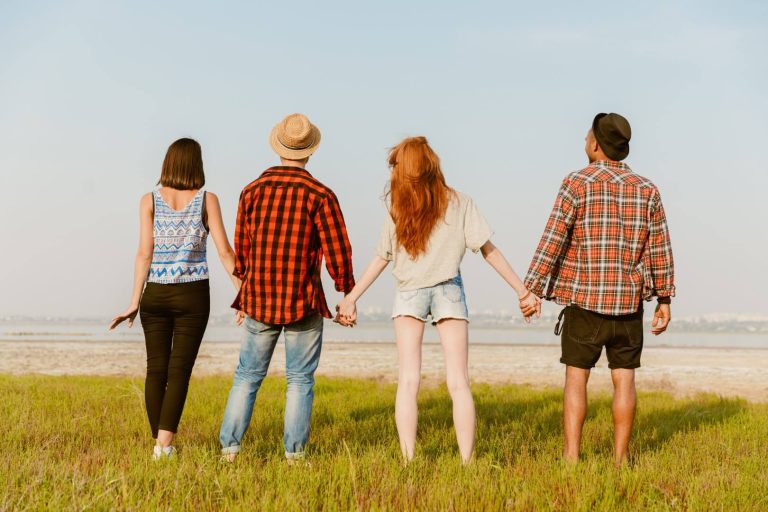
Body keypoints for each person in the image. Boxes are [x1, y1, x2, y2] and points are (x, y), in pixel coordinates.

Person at [336, 136, 540, 465]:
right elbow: (489, 250)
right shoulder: (460, 202)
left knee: (408, 380)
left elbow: (380, 258)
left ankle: (408, 460)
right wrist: (521, 290)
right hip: (449, 290)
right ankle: (468, 462)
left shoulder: (398, 207)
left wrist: (351, 298)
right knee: (459, 382)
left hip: (409, 292)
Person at [523, 113, 675, 467]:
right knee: (625, 382)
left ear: (594, 145)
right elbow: (660, 248)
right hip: (628, 306)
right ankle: (620, 461)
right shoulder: (647, 189)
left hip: (584, 303)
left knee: (576, 380)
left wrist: (531, 288)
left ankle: (572, 458)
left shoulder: (576, 183)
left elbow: (553, 239)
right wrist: (664, 299)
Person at [218, 113, 355, 464]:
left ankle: (229, 450)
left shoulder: (251, 191)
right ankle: (294, 456)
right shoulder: (320, 195)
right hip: (302, 303)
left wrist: (243, 293)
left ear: (278, 147)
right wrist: (347, 292)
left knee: (247, 376)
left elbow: (241, 250)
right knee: (299, 380)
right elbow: (338, 249)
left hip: (259, 299)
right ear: (309, 153)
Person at [109, 137, 241, 460]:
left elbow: (144, 253)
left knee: (156, 370)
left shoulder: (148, 200)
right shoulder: (207, 200)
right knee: (179, 371)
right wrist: (243, 291)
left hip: (154, 292)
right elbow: (225, 252)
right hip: (193, 295)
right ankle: (163, 446)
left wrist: (134, 301)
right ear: (197, 164)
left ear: (167, 163)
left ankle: (162, 445)